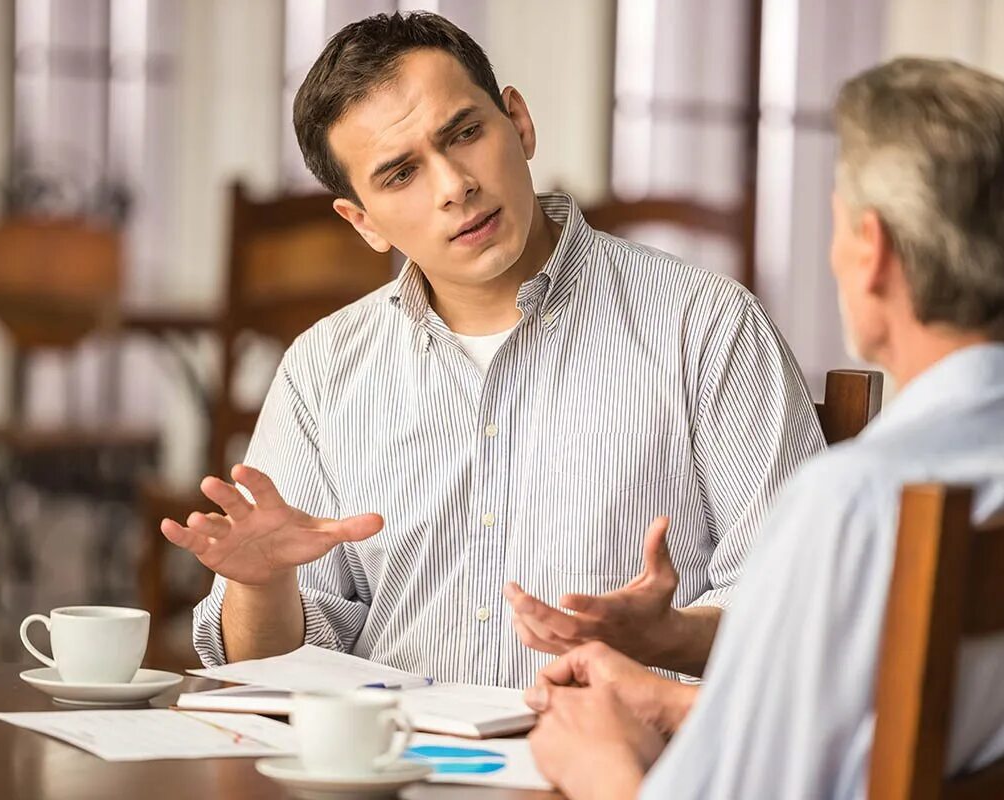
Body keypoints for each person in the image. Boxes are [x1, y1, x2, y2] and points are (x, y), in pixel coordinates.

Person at [523, 57, 1004, 798]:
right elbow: (937, 734)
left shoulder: (856, 504)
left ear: (875, 253)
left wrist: (597, 762)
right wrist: (680, 701)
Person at [159, 11, 825, 688]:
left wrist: (674, 637)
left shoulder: (705, 324)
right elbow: (270, 671)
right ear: (362, 222)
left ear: (520, 123)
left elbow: (805, 605)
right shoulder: (322, 370)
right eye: (399, 175)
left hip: (626, 773)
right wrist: (264, 587)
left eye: (465, 134)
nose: (454, 186)